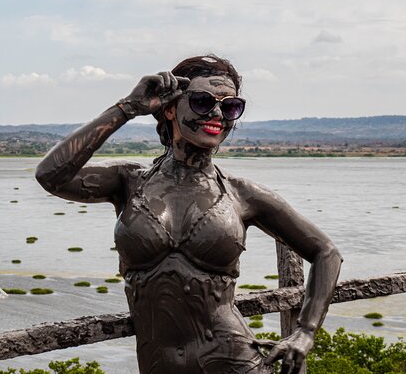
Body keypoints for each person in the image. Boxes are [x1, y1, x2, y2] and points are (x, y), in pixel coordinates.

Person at [36, 55, 342, 374]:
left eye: (231, 106)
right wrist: (127, 108)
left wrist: (306, 332)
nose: (216, 114)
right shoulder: (129, 182)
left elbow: (326, 252)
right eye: (201, 101)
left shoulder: (242, 195)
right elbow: (50, 175)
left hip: (237, 364)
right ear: (170, 108)